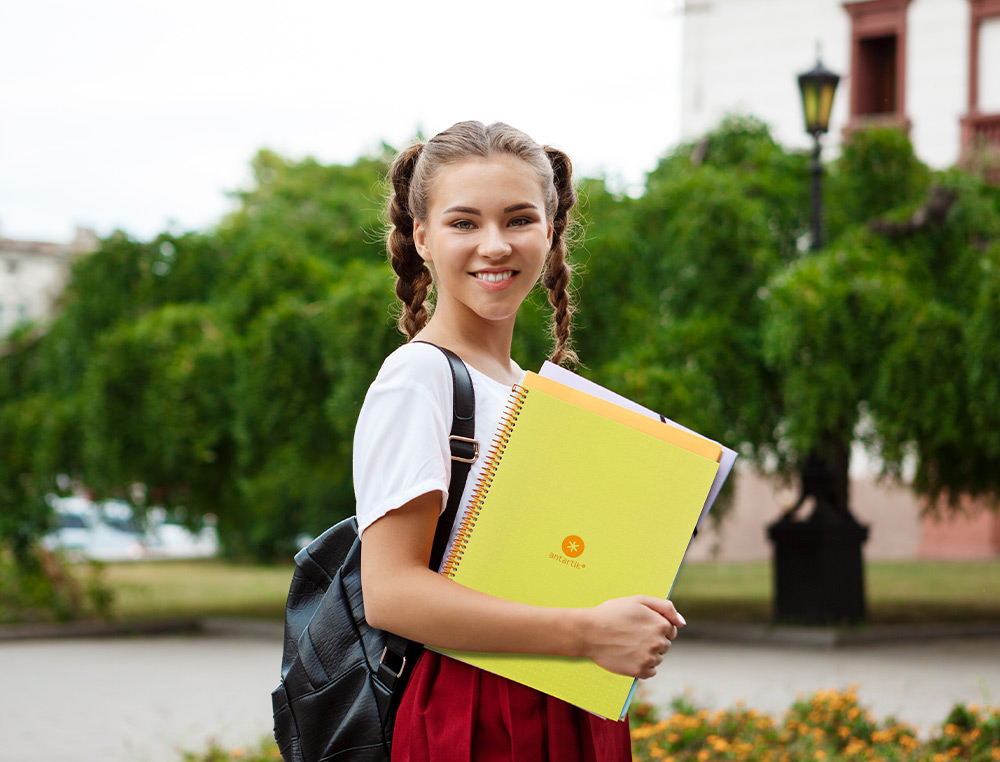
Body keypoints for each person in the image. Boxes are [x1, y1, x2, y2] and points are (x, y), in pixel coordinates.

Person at [354, 120, 685, 762]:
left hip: (565, 695)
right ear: (421, 236)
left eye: (518, 219)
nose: (494, 245)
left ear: (552, 230)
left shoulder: (526, 388)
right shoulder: (418, 379)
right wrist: (588, 632)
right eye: (463, 223)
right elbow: (391, 593)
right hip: (475, 711)